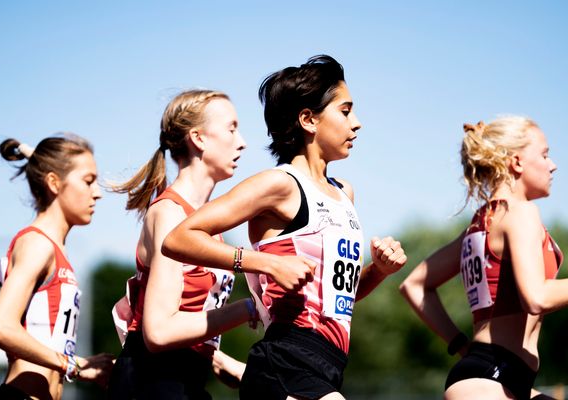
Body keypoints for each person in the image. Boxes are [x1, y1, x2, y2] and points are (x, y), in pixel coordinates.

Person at [163, 55, 407, 400]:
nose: (358, 123)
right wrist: (267, 262)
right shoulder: (279, 184)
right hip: (286, 359)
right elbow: (179, 238)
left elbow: (338, 297)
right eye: (346, 111)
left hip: (329, 363)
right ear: (309, 119)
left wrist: (379, 272)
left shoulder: (344, 193)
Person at [107, 89, 281, 399]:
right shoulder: (171, 215)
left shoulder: (205, 225)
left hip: (183, 378)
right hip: (151, 382)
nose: (242, 141)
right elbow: (159, 332)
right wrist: (249, 308)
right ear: (198, 138)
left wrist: (221, 361)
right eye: (231, 128)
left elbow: (189, 320)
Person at [399, 116, 563, 400]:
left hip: (496, 376)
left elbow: (414, 285)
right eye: (545, 154)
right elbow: (537, 298)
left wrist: (460, 344)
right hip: (489, 382)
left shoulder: (481, 225)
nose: (553, 165)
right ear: (517, 162)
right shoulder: (520, 212)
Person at [0, 135, 114, 400]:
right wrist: (74, 365)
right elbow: (0, 328)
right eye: (88, 181)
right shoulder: (37, 244)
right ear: (54, 183)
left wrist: (84, 363)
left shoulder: (54, 247)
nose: (98, 193)